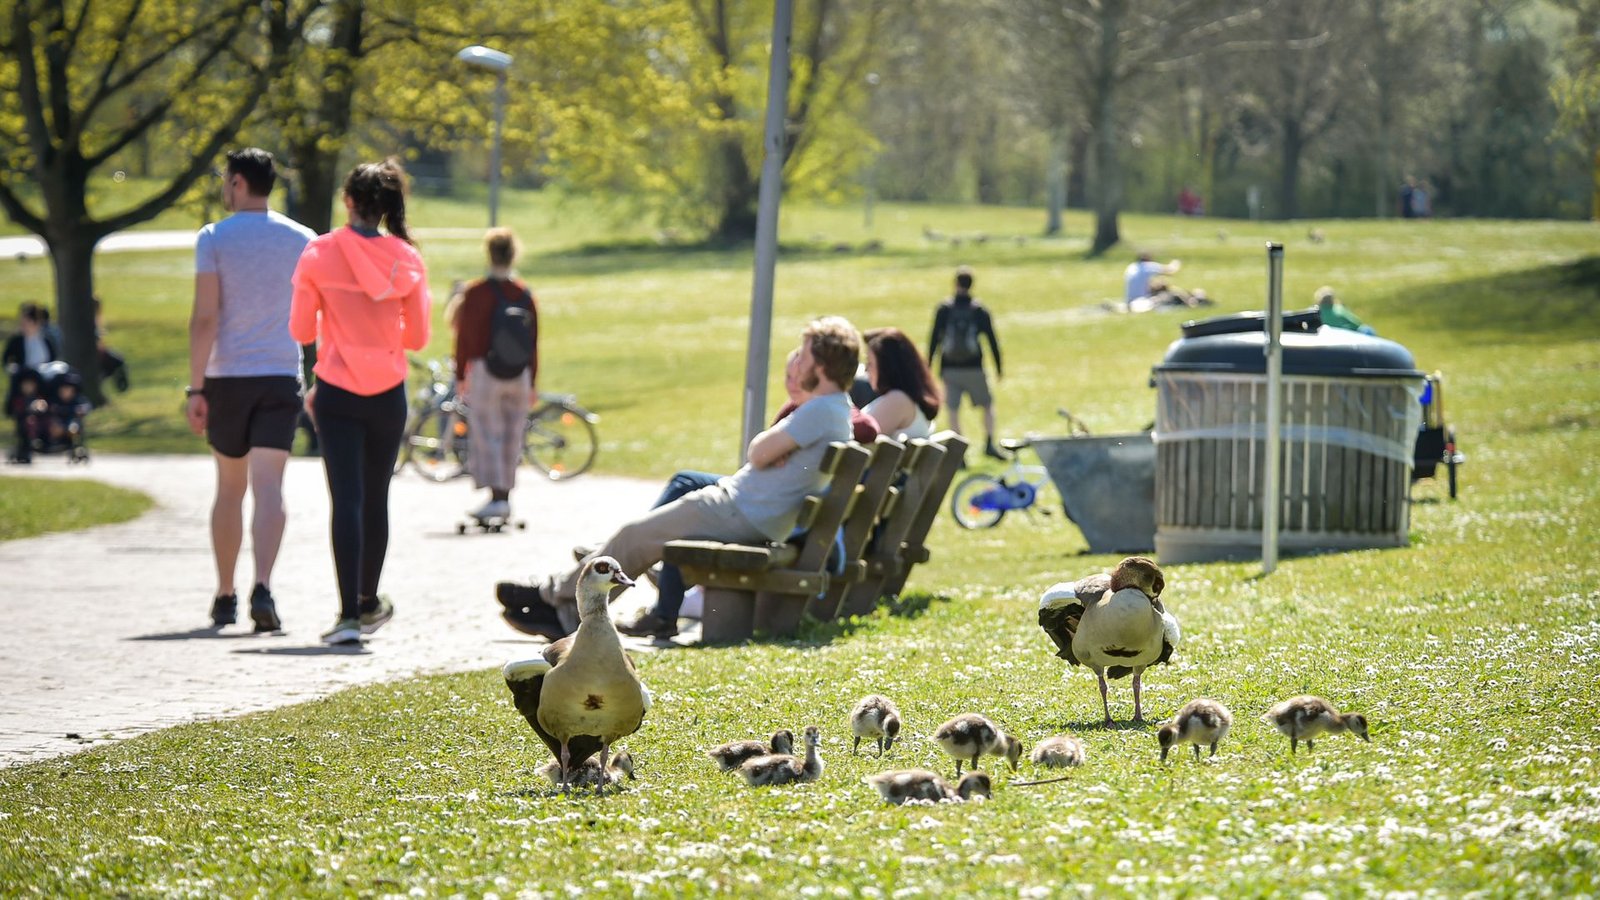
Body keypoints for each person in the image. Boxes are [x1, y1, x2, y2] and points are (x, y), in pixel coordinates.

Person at [498, 317, 861, 641]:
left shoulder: (819, 411)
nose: (798, 362)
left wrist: (773, 445)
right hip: (748, 511)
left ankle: (554, 598)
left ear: (824, 364)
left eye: (806, 355)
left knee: (635, 536)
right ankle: (562, 607)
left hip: (739, 510)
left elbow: (757, 452)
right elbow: (766, 453)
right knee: (643, 532)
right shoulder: (834, 411)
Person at [603, 346, 881, 640]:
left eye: (797, 373)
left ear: (817, 373)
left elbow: (760, 453)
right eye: (786, 375)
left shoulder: (820, 410)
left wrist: (786, 444)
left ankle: (653, 570)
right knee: (685, 484)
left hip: (770, 514)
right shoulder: (807, 409)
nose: (791, 382)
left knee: (685, 504)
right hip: (773, 506)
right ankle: (653, 559)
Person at [289, 158, 432, 645]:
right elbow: (417, 337)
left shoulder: (318, 253)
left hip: (336, 389)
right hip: (387, 392)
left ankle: (348, 613)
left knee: (344, 500)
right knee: (376, 499)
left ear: (347, 200)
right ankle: (369, 601)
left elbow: (300, 329)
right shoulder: (407, 259)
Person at [186, 149, 314, 632]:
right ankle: (264, 586)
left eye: (225, 179)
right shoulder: (303, 239)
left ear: (238, 183)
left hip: (228, 376)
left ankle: (224, 595)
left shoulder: (214, 237)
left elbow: (204, 318)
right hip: (281, 373)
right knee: (269, 488)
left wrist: (195, 388)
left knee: (229, 488)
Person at [452, 228, 538, 522]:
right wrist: (533, 381)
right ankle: (506, 495)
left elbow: (464, 338)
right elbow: (533, 341)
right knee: (513, 434)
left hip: (486, 371)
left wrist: (461, 372)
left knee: (487, 434)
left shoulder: (476, 293)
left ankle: (495, 497)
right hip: (519, 373)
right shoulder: (525, 294)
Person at [928, 266, 1004, 460]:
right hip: (974, 367)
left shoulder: (944, 309)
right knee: (987, 405)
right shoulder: (979, 310)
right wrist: (998, 366)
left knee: (953, 410)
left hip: (950, 368)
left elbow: (935, 338)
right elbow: (991, 339)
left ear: (955, 284)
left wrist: (929, 364)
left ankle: (958, 453)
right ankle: (989, 443)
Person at [861, 327, 939, 442]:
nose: (866, 370)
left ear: (887, 367)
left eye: (870, 363)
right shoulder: (905, 399)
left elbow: (858, 442)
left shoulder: (898, 401)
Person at [4, 302, 59, 464]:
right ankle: (25, 443)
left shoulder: (46, 339)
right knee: (24, 407)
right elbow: (7, 361)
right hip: (24, 381)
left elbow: (53, 360)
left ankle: (47, 437)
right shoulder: (17, 341)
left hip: (43, 382)